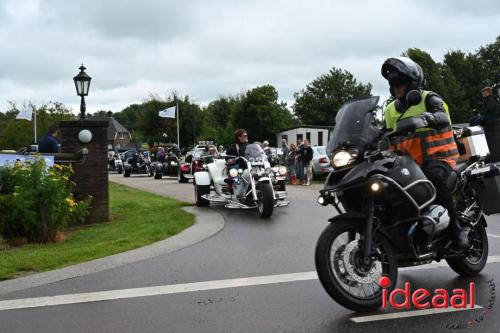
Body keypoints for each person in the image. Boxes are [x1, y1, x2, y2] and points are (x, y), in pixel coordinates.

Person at [381, 56, 467, 249]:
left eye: (400, 83)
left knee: (433, 176)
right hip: (410, 165)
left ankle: (455, 229)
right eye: (393, 84)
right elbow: (384, 134)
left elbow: (442, 116)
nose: (396, 88)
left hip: (440, 158)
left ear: (412, 83)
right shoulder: (389, 110)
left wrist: (428, 117)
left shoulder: (429, 98)